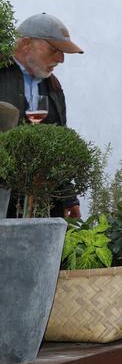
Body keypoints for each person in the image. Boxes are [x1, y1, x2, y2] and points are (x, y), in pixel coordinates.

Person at [1, 12, 84, 218]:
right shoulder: (2, 75)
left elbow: (57, 144)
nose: (61, 59)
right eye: (54, 49)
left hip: (39, 200)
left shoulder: (53, 86)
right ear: (26, 44)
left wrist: (67, 196)